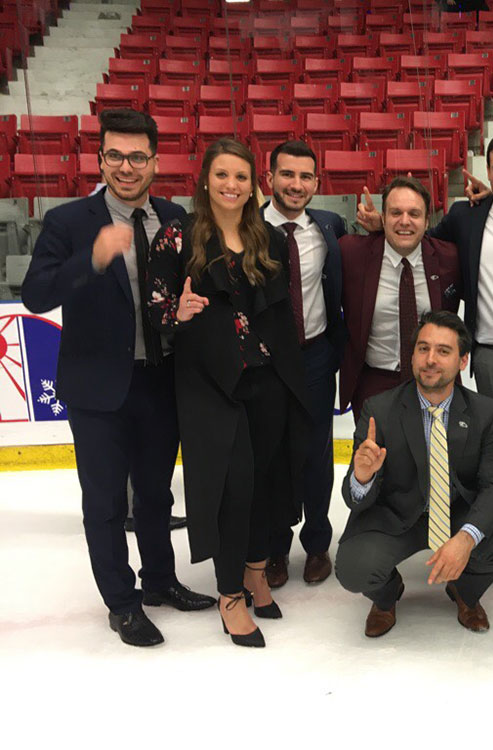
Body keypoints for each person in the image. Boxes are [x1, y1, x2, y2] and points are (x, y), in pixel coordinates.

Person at [21, 108, 214, 647]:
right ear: (99, 158)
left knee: (155, 494)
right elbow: (37, 295)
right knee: (105, 502)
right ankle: (122, 603)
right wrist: (93, 258)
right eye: (114, 156)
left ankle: (159, 581)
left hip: (160, 380)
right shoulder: (68, 223)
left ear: (156, 160)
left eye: (137, 157)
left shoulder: (175, 216)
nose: (126, 167)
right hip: (97, 390)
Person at [357, 131, 493, 576]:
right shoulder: (466, 218)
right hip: (490, 353)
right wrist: (380, 226)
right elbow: (419, 235)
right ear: (487, 172)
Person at [146, 138, 309, 648]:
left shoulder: (267, 238)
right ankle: (228, 594)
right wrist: (180, 313)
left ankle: (256, 571)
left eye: (241, 176)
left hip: (267, 379)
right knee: (231, 488)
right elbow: (156, 309)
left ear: (252, 182)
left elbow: (282, 314)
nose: (232, 186)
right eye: (222, 175)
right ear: (205, 179)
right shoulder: (178, 235)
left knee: (265, 482)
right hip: (211, 384)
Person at [335, 311, 493, 636]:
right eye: (423, 349)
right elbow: (354, 501)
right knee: (352, 569)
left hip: (456, 514)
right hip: (397, 516)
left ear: (463, 361)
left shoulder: (484, 412)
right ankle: (387, 596)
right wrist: (362, 477)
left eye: (443, 351)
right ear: (412, 355)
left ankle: (464, 592)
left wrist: (465, 538)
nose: (430, 359)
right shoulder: (379, 410)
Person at [261, 140, 346, 588]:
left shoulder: (329, 226)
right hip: (265, 364)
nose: (296, 185)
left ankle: (317, 544)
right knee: (273, 456)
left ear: (317, 181)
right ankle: (275, 548)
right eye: (287, 175)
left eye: (305, 176)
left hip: (315, 357)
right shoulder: (248, 228)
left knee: (316, 455)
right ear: (269, 177)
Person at [339, 176, 460, 419]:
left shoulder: (449, 257)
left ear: (427, 221)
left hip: (434, 381)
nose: (405, 222)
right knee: (374, 455)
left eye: (414, 214)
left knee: (432, 455)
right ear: (382, 218)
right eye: (395, 213)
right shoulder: (350, 253)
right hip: (374, 383)